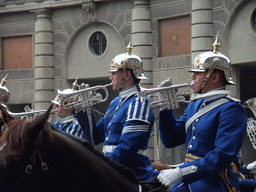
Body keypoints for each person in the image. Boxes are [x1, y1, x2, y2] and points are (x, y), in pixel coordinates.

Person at [157, 33, 247, 192]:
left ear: (214, 78)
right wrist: (165, 108)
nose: (192, 77)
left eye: (198, 73)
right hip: (191, 179)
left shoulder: (231, 109)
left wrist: (180, 172)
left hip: (216, 180)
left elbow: (222, 156)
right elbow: (171, 139)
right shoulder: (195, 105)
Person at [76, 41, 155, 181]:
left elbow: (127, 148)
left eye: (113, 73)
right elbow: (95, 137)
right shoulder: (115, 102)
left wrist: (99, 164)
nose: (110, 78)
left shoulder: (139, 101)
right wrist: (85, 109)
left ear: (127, 74)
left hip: (131, 171)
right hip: (112, 167)